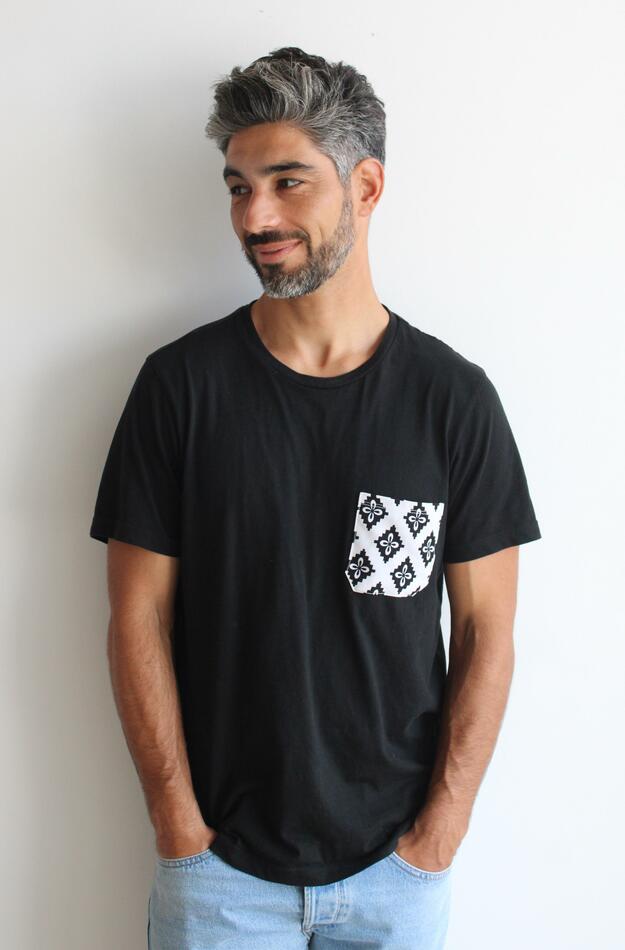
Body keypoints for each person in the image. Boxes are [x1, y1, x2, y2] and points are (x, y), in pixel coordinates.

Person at [89, 46, 542, 950]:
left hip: (393, 879)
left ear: (365, 187)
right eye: (238, 187)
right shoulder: (180, 389)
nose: (254, 216)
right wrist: (178, 827)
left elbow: (485, 630)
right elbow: (137, 617)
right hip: (219, 880)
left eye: (287, 182)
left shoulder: (451, 401)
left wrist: (437, 836)